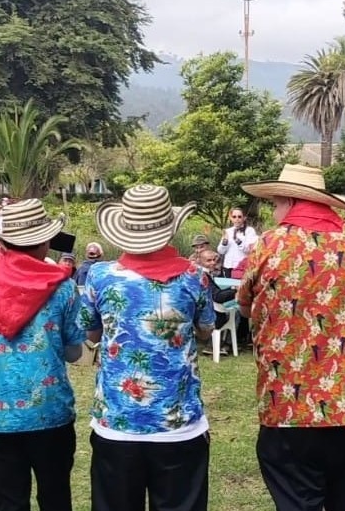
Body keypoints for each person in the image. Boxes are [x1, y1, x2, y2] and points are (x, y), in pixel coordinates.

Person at [237, 164, 345, 511]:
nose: (274, 211)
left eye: (275, 204)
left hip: (289, 402)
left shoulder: (270, 243)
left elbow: (244, 306)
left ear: (288, 200)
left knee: (298, 497)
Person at [78, 184, 215, 511]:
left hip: (117, 425)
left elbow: (91, 334)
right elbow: (207, 330)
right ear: (169, 228)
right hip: (178, 426)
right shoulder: (196, 277)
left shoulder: (100, 276)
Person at [0, 199, 85, 511]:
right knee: (56, 496)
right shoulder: (64, 287)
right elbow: (74, 352)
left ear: (4, 241)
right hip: (50, 411)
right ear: (45, 240)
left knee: (7, 501)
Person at [217, 207, 258, 277]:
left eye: (239, 217)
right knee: (229, 287)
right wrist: (225, 241)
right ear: (231, 218)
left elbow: (250, 250)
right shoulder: (228, 231)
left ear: (244, 218)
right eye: (234, 217)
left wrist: (238, 241)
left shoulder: (250, 231)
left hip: (242, 267)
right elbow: (220, 251)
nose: (237, 219)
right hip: (228, 266)